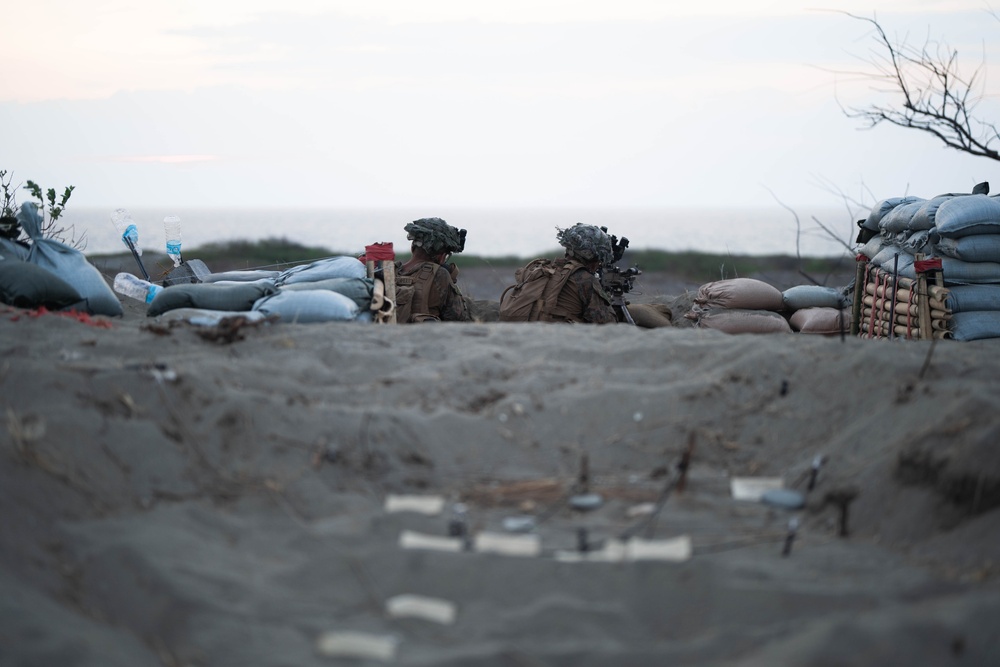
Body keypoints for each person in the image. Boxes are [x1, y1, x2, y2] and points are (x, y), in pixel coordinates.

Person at [499, 223, 617, 324]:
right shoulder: (584, 279)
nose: (598, 264)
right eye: (599, 259)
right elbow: (606, 324)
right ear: (591, 255)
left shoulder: (545, 268)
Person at [393, 217, 471, 323]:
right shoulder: (440, 274)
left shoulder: (391, 271)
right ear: (442, 256)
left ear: (412, 247)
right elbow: (458, 317)